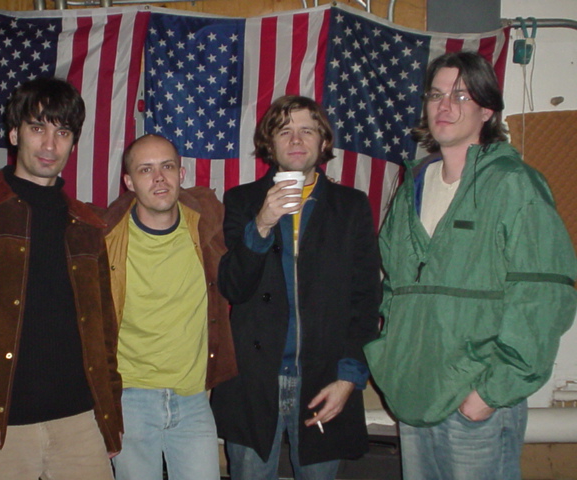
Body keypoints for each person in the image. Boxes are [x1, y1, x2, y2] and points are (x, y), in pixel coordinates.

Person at [364, 51, 577, 480]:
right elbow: (393, 290)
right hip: (414, 396)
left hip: (476, 400)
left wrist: (491, 392)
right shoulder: (410, 189)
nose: (444, 106)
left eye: (461, 95)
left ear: (487, 110)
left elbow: (543, 296)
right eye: (436, 94)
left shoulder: (513, 184)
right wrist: (391, 362)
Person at [0, 78, 123, 480]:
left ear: (73, 142)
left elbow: (104, 334)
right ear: (14, 133)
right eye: (38, 128)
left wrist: (110, 416)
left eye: (63, 132)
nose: (50, 144)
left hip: (80, 424)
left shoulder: (87, 225)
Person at [211, 95, 381, 479]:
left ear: (324, 142)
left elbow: (366, 300)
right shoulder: (242, 200)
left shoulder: (351, 206)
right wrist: (262, 223)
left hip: (323, 379)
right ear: (269, 144)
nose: (296, 139)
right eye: (285, 131)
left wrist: (349, 377)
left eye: (307, 130)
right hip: (254, 380)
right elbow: (233, 287)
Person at [103, 134, 237, 480]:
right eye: (146, 170)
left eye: (167, 166)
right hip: (130, 400)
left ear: (182, 173)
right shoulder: (105, 236)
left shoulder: (207, 222)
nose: (159, 178)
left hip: (193, 399)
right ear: (129, 182)